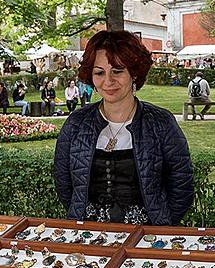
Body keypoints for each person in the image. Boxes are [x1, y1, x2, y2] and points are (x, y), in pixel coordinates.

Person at [54, 30, 194, 225]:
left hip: (147, 235)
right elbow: (64, 182)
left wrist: (161, 225)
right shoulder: (76, 124)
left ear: (134, 73)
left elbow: (182, 185)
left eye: (118, 71)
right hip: (88, 235)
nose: (108, 81)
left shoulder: (161, 123)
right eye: (99, 72)